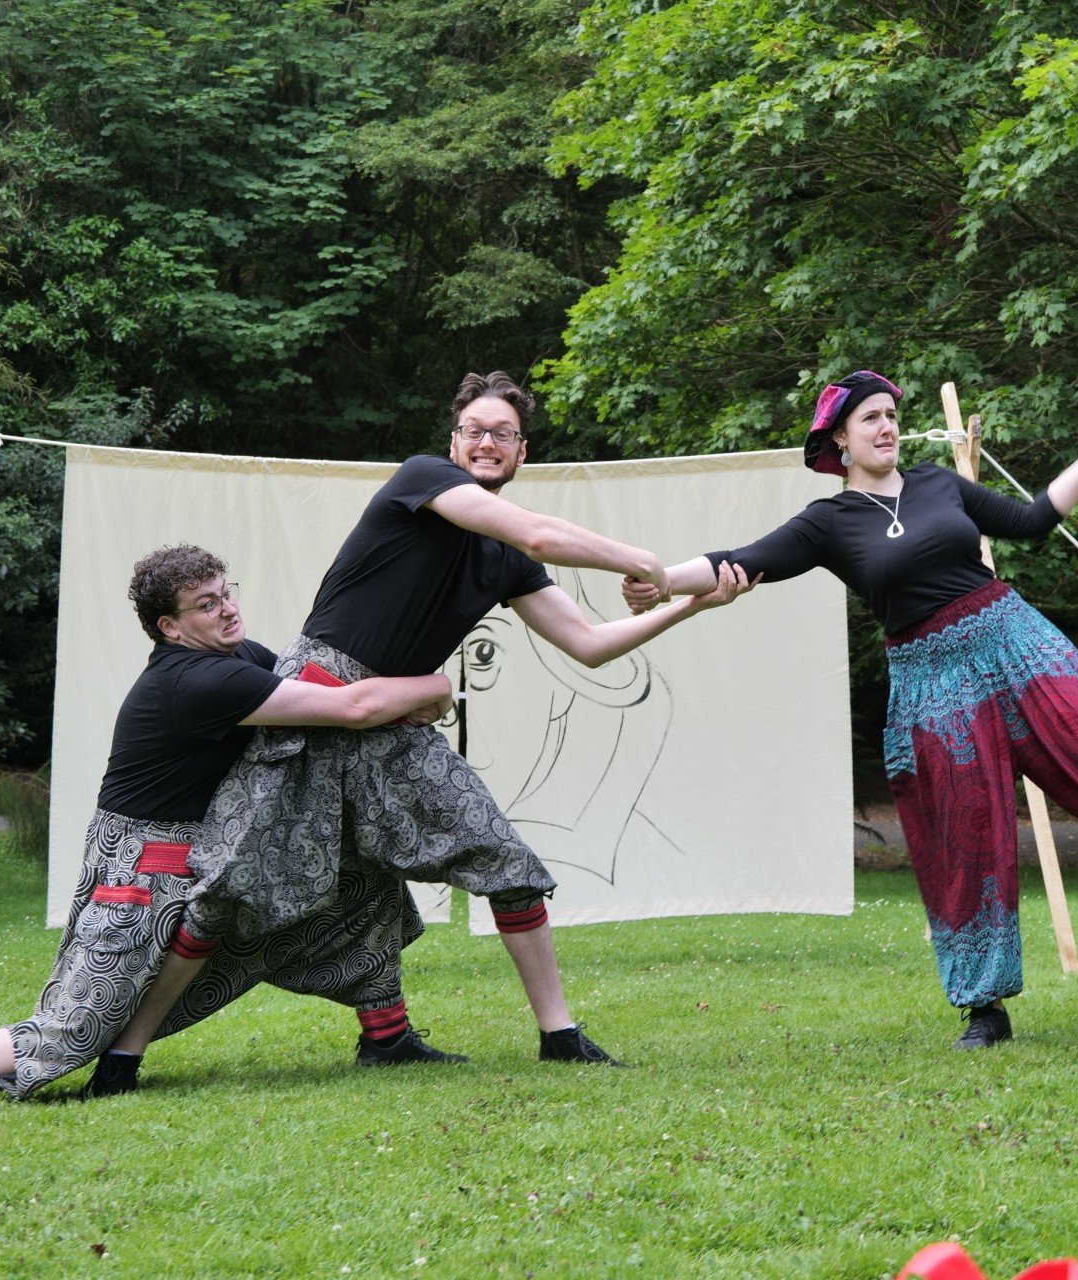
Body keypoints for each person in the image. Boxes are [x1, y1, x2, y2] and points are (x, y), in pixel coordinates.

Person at [622, 370, 1078, 1050]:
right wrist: (662, 579)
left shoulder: (939, 484)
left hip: (1015, 642)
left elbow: (1033, 521)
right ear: (839, 441)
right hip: (930, 682)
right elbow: (737, 561)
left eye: (891, 414)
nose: (886, 426)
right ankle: (985, 1008)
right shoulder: (829, 522)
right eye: (870, 419)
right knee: (962, 836)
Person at [111, 371, 754, 1068]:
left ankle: (555, 1038)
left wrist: (688, 604)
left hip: (394, 720)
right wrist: (641, 560)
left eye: (502, 433)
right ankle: (124, 1054)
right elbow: (537, 532)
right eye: (474, 430)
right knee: (228, 893)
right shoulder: (423, 480)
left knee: (504, 860)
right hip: (319, 707)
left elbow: (590, 646)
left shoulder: (505, 560)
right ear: (454, 442)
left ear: (521, 451)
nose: (486, 442)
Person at [0, 546, 457, 1111]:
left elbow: (331, 692)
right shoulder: (200, 681)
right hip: (141, 864)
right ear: (170, 626)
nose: (227, 608)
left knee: (357, 886)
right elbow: (352, 709)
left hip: (202, 851)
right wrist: (435, 687)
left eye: (226, 593)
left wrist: (392, 699)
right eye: (206, 603)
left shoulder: (236, 658)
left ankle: (388, 1037)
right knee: (80, 1020)